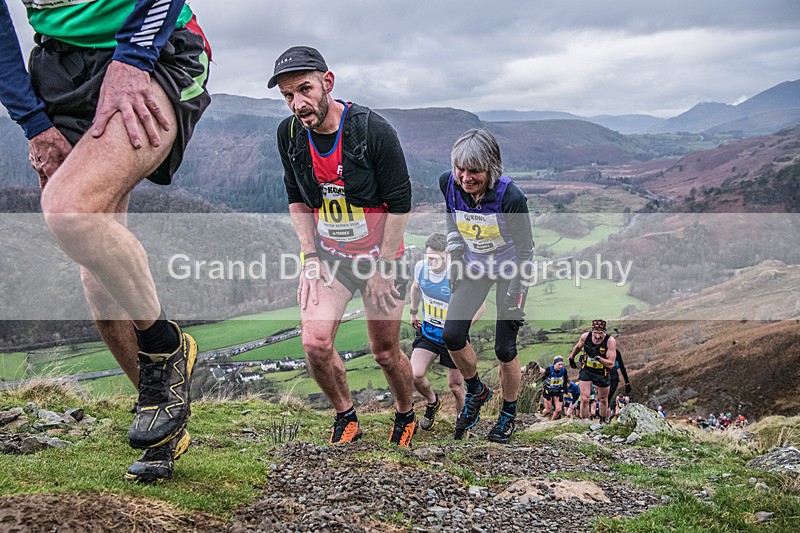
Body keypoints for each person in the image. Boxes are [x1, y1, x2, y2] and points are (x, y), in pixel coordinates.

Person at [0, 0, 211, 482]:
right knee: (96, 273)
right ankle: (162, 426)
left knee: (70, 210)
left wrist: (133, 57)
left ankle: (164, 344)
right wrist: (32, 121)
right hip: (58, 68)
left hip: (154, 49)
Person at [270, 46, 416, 446]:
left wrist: (385, 266)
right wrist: (310, 258)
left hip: (381, 258)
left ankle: (405, 413)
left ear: (327, 83)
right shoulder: (289, 135)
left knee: (385, 352)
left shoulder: (372, 130)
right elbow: (296, 199)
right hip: (331, 257)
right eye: (287, 96)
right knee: (315, 344)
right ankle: (346, 414)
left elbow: (401, 202)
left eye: (303, 89)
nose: (297, 104)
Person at [439, 128, 534, 443]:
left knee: (504, 349)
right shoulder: (448, 183)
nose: (465, 177)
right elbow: (453, 218)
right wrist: (455, 258)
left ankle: (507, 415)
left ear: (491, 169)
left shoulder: (511, 196)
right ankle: (477, 391)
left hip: (510, 270)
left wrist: (516, 288)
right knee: (452, 335)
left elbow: (525, 250)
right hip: (474, 266)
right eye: (460, 169)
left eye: (474, 171)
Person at [409, 233, 485, 430]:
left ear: (447, 256)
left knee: (456, 386)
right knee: (414, 374)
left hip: (453, 338)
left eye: (436, 258)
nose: (431, 262)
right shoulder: (421, 268)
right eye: (429, 257)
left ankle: (462, 424)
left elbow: (481, 305)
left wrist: (461, 327)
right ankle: (433, 402)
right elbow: (416, 288)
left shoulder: (458, 273)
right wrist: (413, 312)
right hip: (429, 331)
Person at [568, 319, 617, 422]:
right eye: (595, 333)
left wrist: (596, 357)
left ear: (605, 331)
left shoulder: (610, 341)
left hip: (602, 372)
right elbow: (577, 346)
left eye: (600, 333)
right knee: (584, 399)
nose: (598, 336)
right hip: (587, 370)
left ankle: (603, 422)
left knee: (603, 399)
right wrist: (572, 357)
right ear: (592, 331)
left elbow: (611, 364)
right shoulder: (585, 337)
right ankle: (585, 423)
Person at [538, 356, 569, 421]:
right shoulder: (549, 369)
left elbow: (565, 381)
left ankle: (551, 422)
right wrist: (544, 386)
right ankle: (542, 416)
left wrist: (565, 391)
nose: (560, 366)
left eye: (561, 364)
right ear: (554, 364)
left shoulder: (564, 370)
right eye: (559, 364)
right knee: (548, 410)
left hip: (558, 391)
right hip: (548, 391)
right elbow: (542, 378)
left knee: (558, 410)